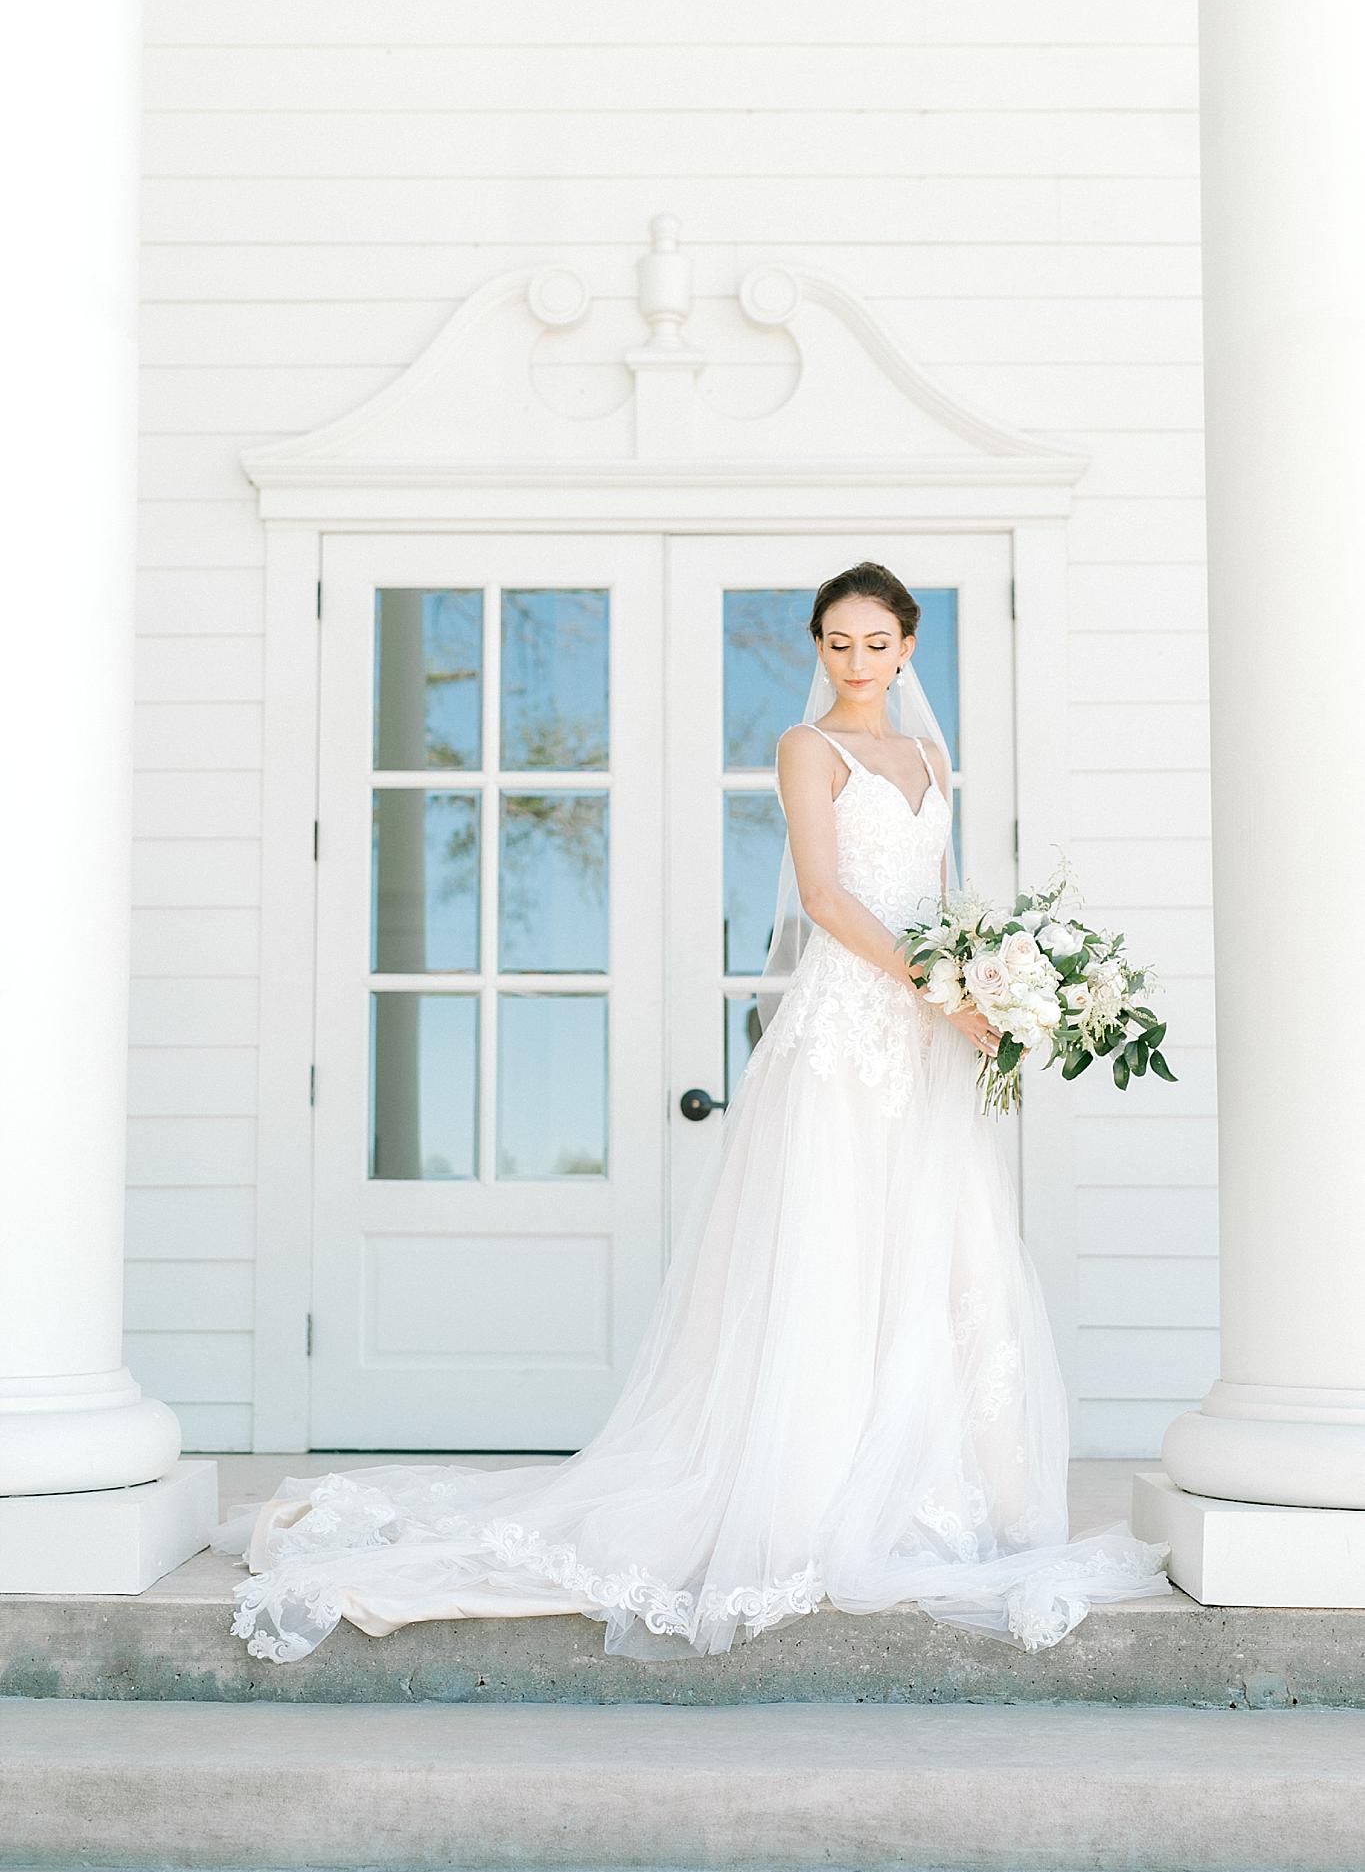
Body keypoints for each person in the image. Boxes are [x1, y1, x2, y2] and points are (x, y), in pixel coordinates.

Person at [208, 561, 1171, 1662]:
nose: (855, 661)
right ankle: (803, 1500)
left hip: (925, 1033)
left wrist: (986, 981)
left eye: (876, 642)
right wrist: (941, 988)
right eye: (836, 642)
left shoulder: (932, 755)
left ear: (910, 647)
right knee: (832, 1248)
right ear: (819, 648)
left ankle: (925, 1489)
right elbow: (822, 897)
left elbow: (942, 893)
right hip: (849, 1028)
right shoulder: (809, 749)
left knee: (932, 1248)